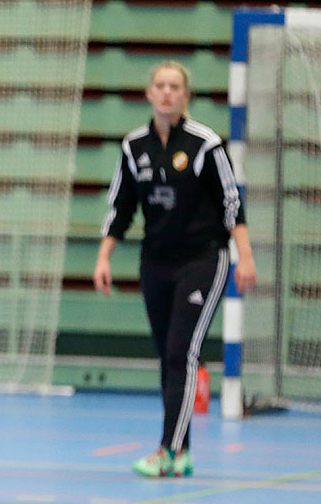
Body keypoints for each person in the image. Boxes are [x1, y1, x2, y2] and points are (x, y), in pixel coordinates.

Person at [93, 60, 257, 478]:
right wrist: (104, 255)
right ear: (149, 93)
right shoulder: (134, 148)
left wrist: (246, 256)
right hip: (156, 261)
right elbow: (121, 207)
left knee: (181, 352)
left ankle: (167, 451)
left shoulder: (205, 144)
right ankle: (181, 451)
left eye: (175, 86)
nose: (167, 92)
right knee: (168, 357)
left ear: (186, 95)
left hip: (204, 258)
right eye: (160, 85)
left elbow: (231, 203)